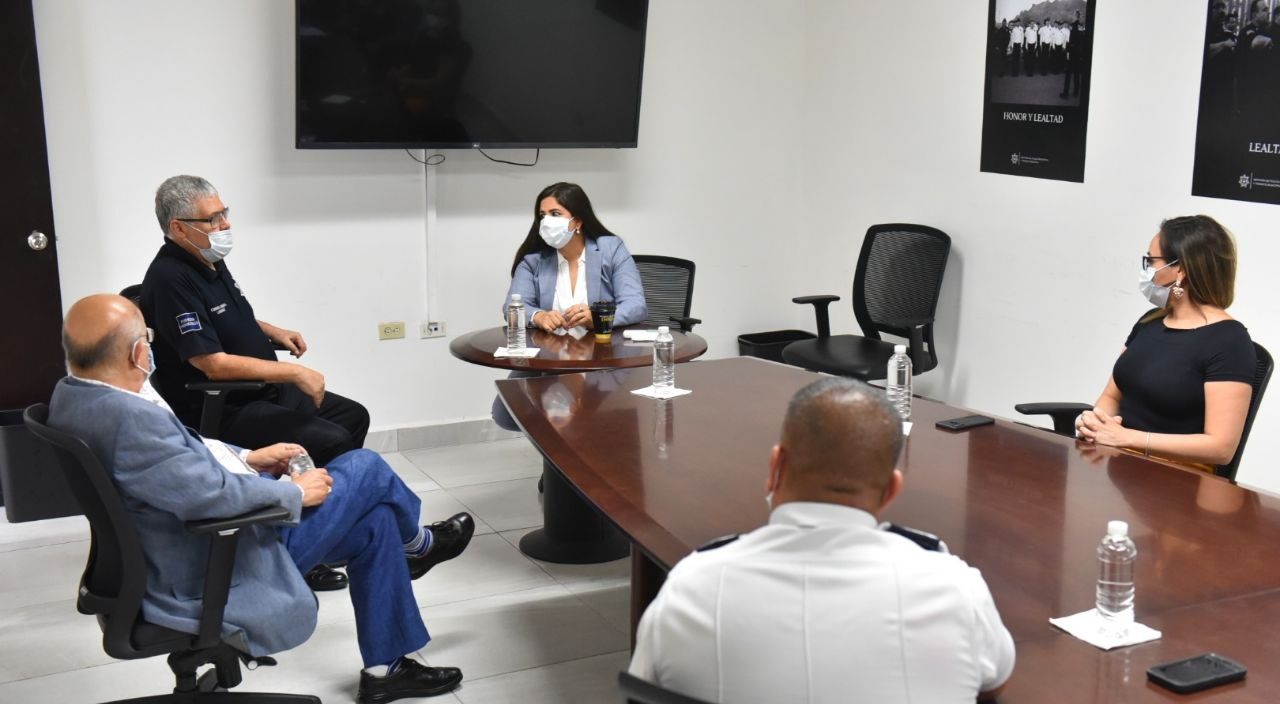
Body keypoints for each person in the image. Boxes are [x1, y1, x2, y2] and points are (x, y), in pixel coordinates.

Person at [49, 294, 476, 703]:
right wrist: (292, 492)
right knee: (365, 466)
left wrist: (249, 458)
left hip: (174, 546)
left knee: (376, 523)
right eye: (149, 338)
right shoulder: (131, 420)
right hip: (214, 558)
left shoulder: (78, 395)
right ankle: (418, 545)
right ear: (137, 353)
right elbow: (211, 497)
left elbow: (184, 456)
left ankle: (385, 671)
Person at [629, 378, 1016, 703]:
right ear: (891, 489)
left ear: (775, 467)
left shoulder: (691, 588)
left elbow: (643, 692)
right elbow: (993, 684)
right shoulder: (956, 590)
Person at [141, 175, 369, 469]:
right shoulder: (170, 279)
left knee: (353, 416)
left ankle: (331, 490)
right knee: (332, 440)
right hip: (225, 405)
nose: (225, 224)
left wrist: (273, 331)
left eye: (224, 213)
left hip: (263, 391)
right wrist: (295, 372)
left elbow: (224, 314)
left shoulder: (207, 258)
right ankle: (316, 494)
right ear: (179, 228)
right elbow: (212, 365)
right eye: (212, 219)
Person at [1076, 216, 1256, 469]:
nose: (1146, 270)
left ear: (1180, 270)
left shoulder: (1229, 341)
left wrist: (1128, 438)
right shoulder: (1149, 321)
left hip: (1178, 478)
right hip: (1120, 467)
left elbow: (1221, 448)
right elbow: (1111, 396)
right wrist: (1096, 424)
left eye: (1151, 261)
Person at [490, 182, 646, 430]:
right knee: (506, 414)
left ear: (577, 221)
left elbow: (636, 304)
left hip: (602, 356)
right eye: (542, 215)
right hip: (549, 357)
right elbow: (512, 306)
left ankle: (581, 446)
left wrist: (597, 317)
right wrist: (538, 316)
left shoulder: (611, 248)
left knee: (606, 413)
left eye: (555, 214)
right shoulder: (534, 260)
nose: (547, 222)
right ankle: (561, 441)